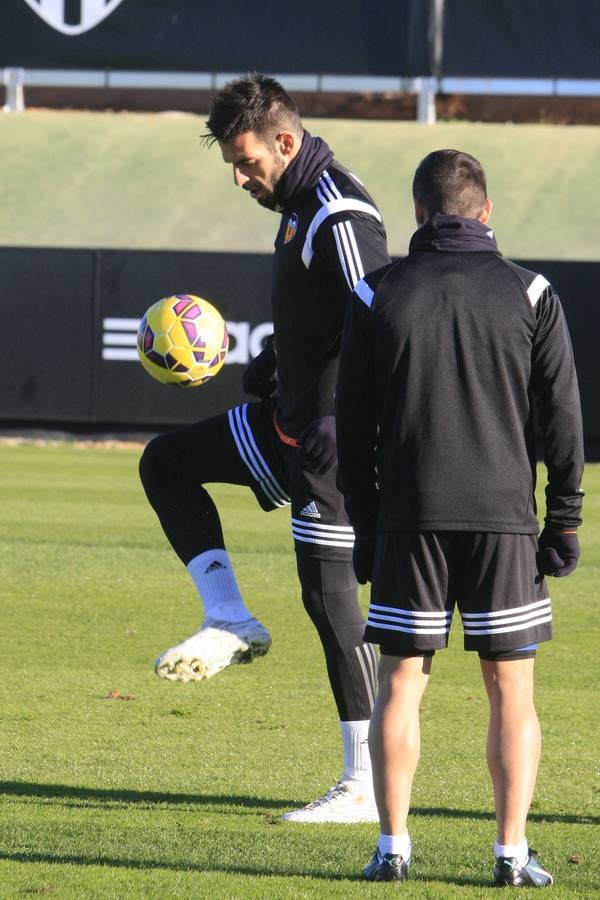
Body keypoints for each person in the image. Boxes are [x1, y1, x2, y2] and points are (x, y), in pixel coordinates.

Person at [139, 73, 391, 822]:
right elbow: (328, 314)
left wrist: (347, 421)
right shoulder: (297, 207)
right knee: (167, 463)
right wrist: (281, 355)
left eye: (247, 162)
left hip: (337, 447)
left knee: (331, 601)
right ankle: (231, 618)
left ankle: (364, 784)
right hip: (288, 427)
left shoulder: (339, 213)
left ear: (287, 140)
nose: (242, 178)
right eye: (233, 166)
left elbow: (382, 320)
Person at [336, 149, 584, 883]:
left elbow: (353, 428)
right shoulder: (531, 292)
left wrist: (367, 523)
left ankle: (392, 849)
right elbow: (563, 420)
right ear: (485, 212)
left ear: (419, 213)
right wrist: (564, 518)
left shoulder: (375, 293)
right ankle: (510, 855)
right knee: (511, 688)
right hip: (503, 520)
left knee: (401, 681)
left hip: (409, 520)